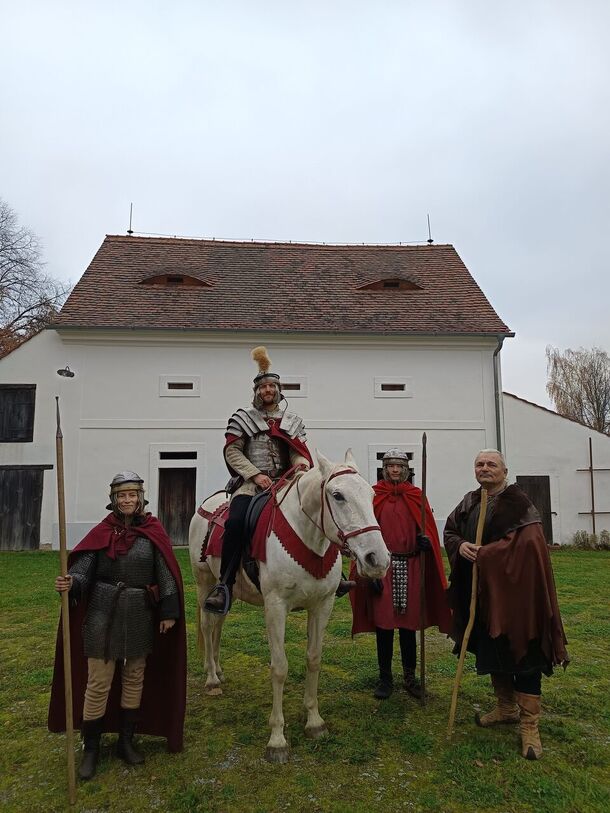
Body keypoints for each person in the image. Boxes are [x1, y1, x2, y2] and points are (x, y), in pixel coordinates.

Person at [48, 471, 186, 780]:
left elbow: (165, 573)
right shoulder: (102, 532)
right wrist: (72, 581)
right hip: (102, 611)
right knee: (98, 682)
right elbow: (84, 571)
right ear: (114, 500)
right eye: (121, 496)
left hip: (139, 612)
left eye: (132, 495)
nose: (127, 500)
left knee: (135, 676)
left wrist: (169, 612)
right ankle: (91, 748)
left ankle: (126, 741)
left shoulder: (153, 531)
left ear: (140, 498)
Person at [444, 449, 569, 760]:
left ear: (504, 470)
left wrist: (485, 555)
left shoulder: (519, 504)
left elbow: (528, 546)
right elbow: (450, 531)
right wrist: (461, 547)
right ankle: (505, 707)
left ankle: (530, 725)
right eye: (479, 464)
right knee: (491, 648)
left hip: (518, 599)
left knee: (523, 653)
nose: (485, 469)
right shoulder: (470, 500)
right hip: (483, 596)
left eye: (491, 464)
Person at [204, 346, 316, 614]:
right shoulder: (243, 419)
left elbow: (298, 453)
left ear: (279, 391)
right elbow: (233, 451)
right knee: (236, 522)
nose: (267, 391)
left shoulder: (292, 421)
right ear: (256, 392)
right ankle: (225, 584)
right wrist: (255, 474)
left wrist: (300, 467)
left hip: (287, 484)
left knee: (316, 513)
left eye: (272, 387)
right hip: (252, 485)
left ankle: (331, 576)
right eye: (263, 387)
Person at [349, 449, 451, 699]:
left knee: (408, 627)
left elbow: (426, 528)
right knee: (384, 625)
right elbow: (363, 535)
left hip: (412, 565)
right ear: (384, 469)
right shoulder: (373, 496)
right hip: (382, 568)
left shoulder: (417, 496)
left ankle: (410, 677)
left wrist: (425, 542)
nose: (395, 470)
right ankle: (385, 679)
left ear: (407, 470)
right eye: (390, 466)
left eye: (399, 466)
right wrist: (370, 575)